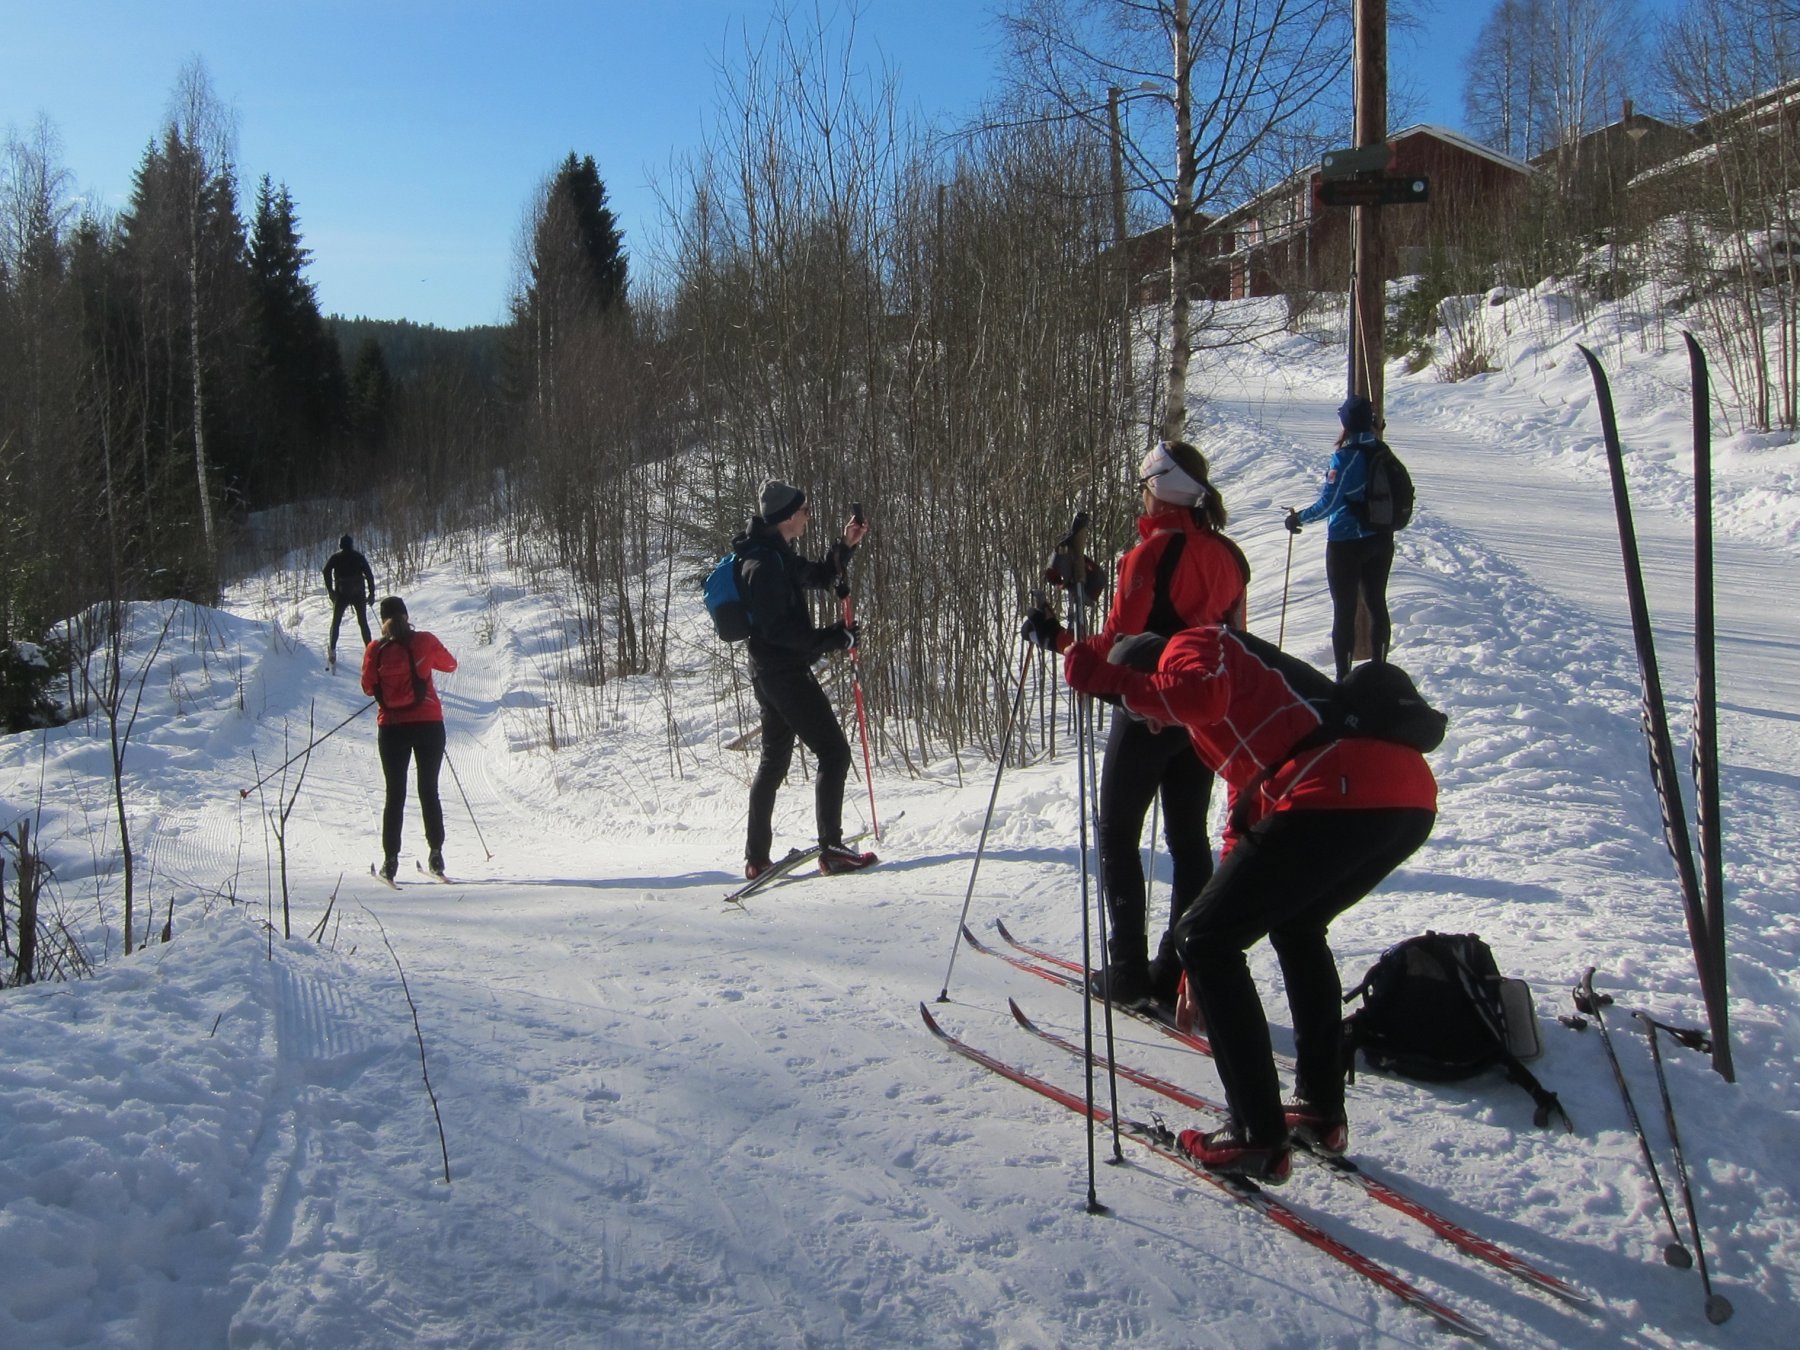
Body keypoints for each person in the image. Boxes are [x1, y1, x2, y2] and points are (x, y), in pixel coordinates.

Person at [1062, 625, 1437, 1182]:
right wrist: (1198, 962)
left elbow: (1196, 693)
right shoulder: (1244, 714)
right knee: (1295, 924)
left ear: (1152, 669)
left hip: (1338, 783)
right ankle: (1320, 1109)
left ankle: (1257, 1134)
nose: (1150, 723)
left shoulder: (1190, 642)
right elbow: (1248, 820)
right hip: (1402, 798)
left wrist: (1103, 679)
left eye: (1143, 710)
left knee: (1206, 937)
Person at [1021, 441, 1249, 1010]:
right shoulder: (1229, 555)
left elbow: (1116, 646)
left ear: (1159, 488)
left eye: (1144, 485)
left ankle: (1126, 972)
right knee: (1188, 837)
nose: (1140, 495)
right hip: (1201, 718)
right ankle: (1174, 969)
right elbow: (1235, 643)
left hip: (1147, 709)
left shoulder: (1148, 555)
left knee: (1118, 833)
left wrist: (1057, 640)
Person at [736, 478, 875, 878]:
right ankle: (831, 849)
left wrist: (845, 546)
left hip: (772, 673)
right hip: (783, 674)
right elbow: (781, 633)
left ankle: (757, 857)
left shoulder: (775, 553)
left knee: (773, 762)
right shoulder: (762, 566)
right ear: (786, 518)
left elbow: (816, 576)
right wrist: (833, 637)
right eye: (805, 511)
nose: (808, 517)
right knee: (834, 753)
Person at [1285, 395, 1393, 680]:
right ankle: (1379, 670)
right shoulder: (1382, 450)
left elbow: (1329, 503)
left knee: (1344, 611)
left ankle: (1343, 678)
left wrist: (1298, 518)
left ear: (1344, 423)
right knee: (1376, 603)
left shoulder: (1345, 457)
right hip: (1381, 537)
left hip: (1347, 542)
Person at [360, 596, 458, 881]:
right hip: (428, 724)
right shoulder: (424, 641)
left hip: (391, 727)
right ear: (406, 615)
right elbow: (451, 665)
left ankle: (390, 861)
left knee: (395, 794)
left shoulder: (375, 649)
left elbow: (368, 688)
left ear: (382, 620)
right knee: (429, 789)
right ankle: (436, 854)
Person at [323, 535, 377, 670]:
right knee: (363, 623)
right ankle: (370, 652)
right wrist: (371, 593)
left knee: (336, 623)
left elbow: (326, 571)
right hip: (358, 593)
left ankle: (333, 651)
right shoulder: (359, 556)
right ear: (351, 544)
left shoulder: (336, 557)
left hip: (342, 593)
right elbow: (369, 575)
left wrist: (330, 590)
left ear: (340, 545)